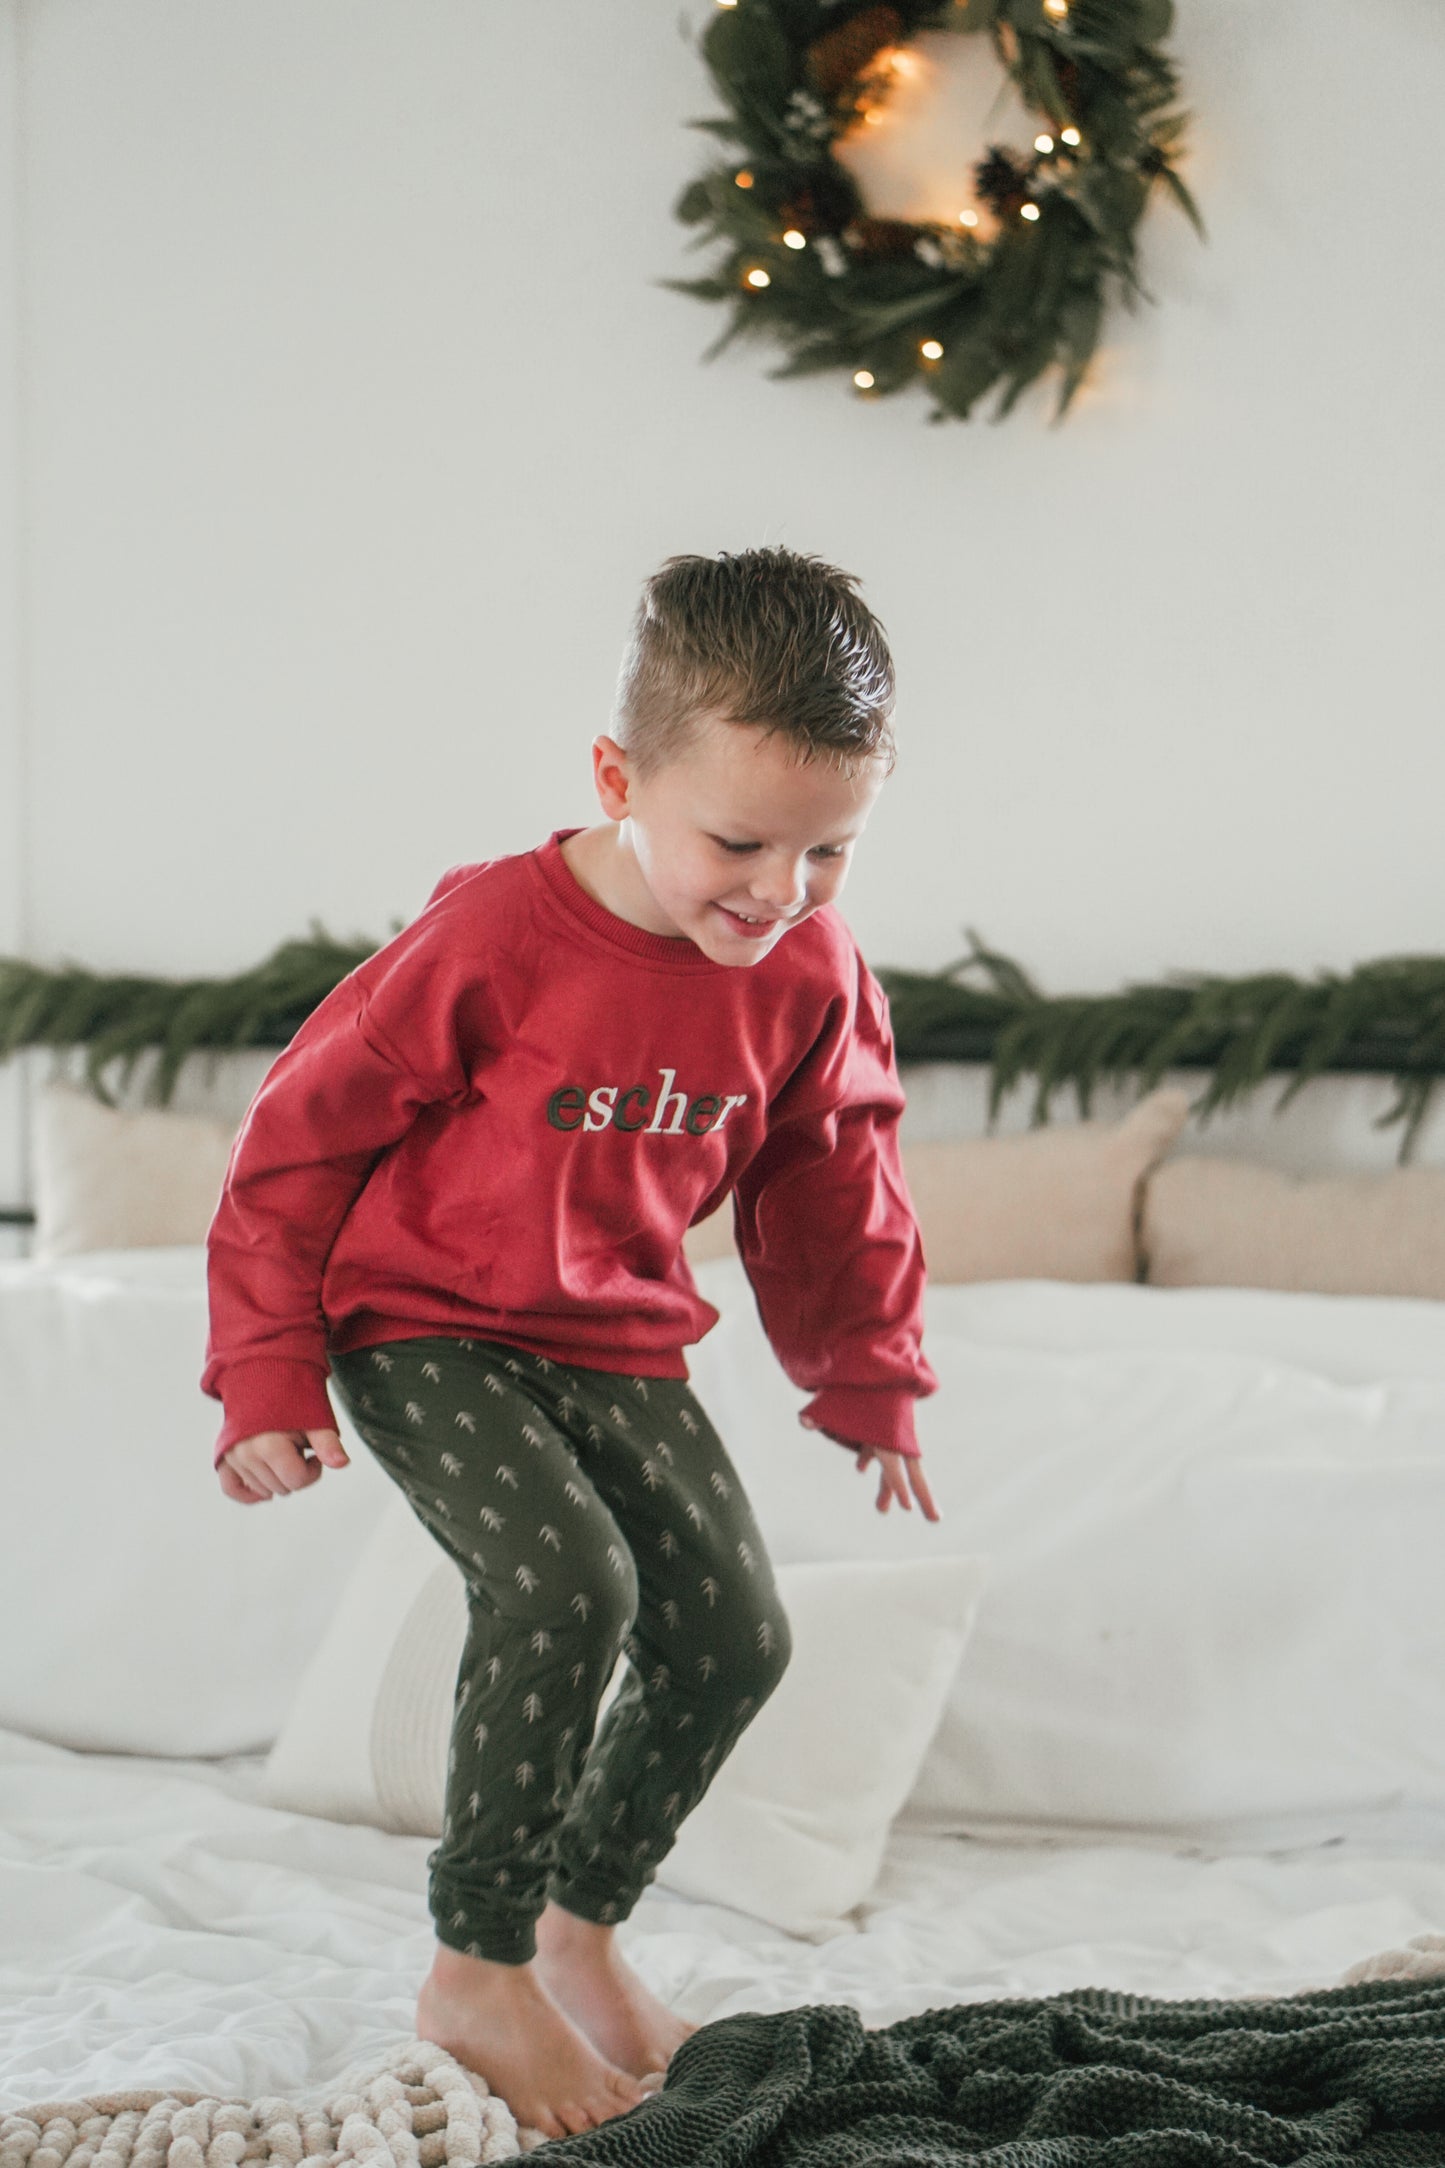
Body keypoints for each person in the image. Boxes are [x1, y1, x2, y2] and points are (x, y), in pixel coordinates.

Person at [201, 545, 941, 2142]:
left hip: (616, 1338)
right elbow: (296, 1144)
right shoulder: (497, 933)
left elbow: (835, 1183)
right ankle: (473, 1969)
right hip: (422, 1323)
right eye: (738, 841)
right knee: (564, 1585)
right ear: (619, 776)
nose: (779, 892)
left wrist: (865, 1374)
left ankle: (573, 1936)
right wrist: (266, 1371)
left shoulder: (809, 970)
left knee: (735, 1635)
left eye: (829, 852)